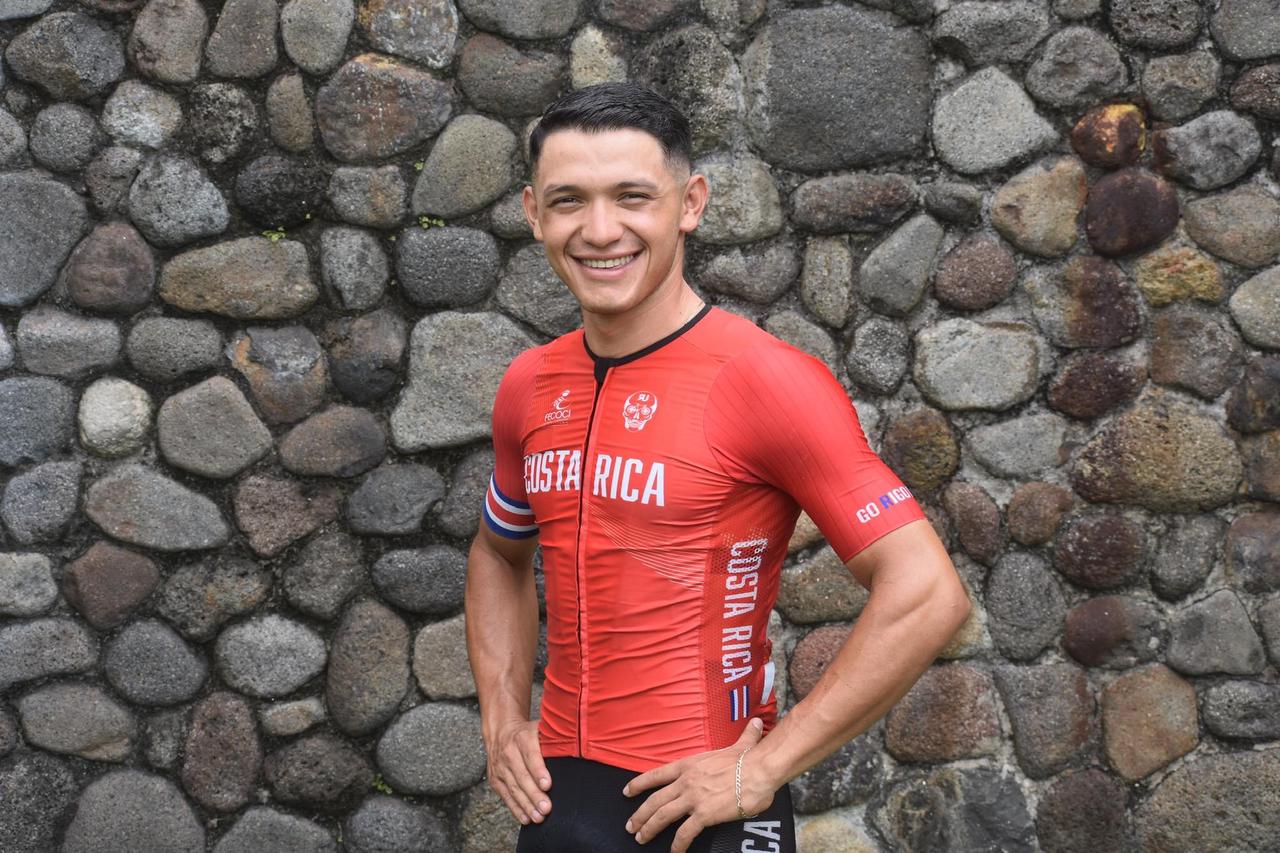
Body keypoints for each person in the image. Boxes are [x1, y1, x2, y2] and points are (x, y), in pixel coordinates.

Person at [465, 82, 971, 853]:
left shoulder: (764, 378)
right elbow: (498, 554)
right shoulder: (529, 386)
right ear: (535, 213)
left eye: (632, 196)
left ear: (689, 202)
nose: (601, 230)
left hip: (708, 809)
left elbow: (926, 590)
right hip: (559, 808)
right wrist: (503, 720)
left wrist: (766, 764)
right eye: (570, 201)